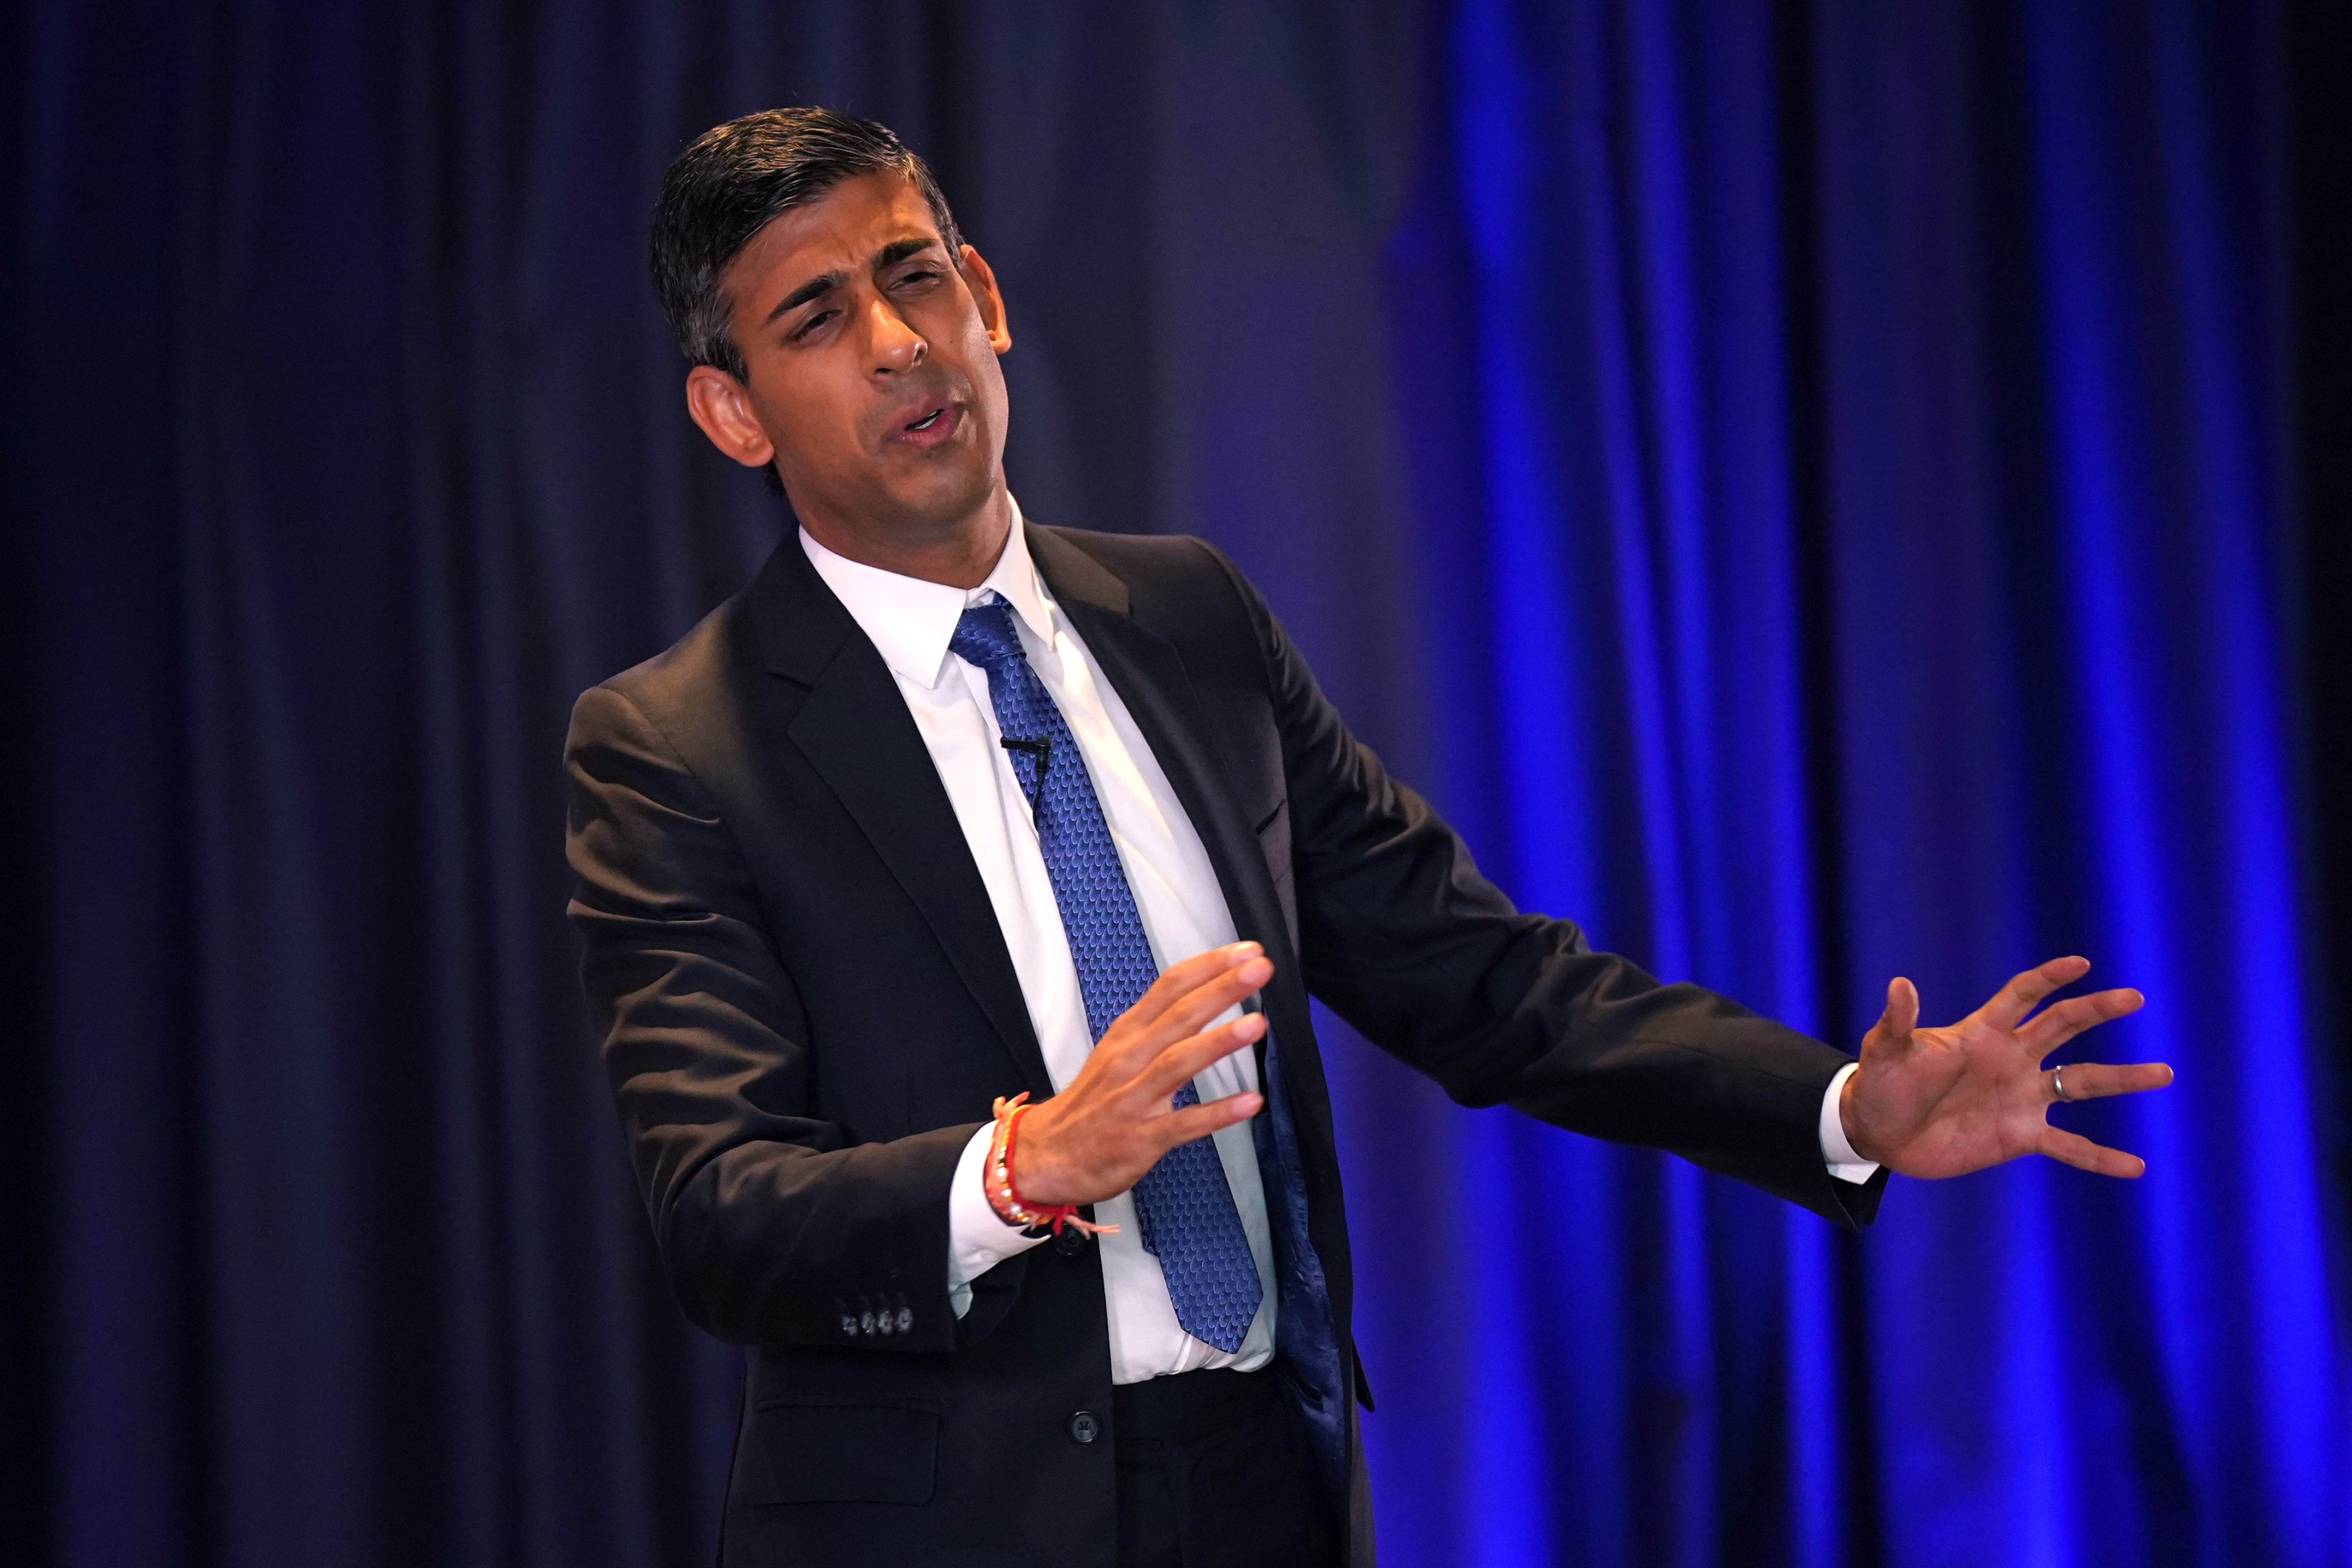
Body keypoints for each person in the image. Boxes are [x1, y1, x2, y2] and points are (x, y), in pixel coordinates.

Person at [563, 107, 2171, 1568]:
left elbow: (1483, 979)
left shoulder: (1187, 620)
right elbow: (722, 1213)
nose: (903, 343)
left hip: (1268, 1486)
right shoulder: (676, 745)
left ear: (986, 294)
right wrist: (1025, 1166)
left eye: (915, 275)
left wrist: (1836, 1104)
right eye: (817, 318)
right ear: (733, 412)